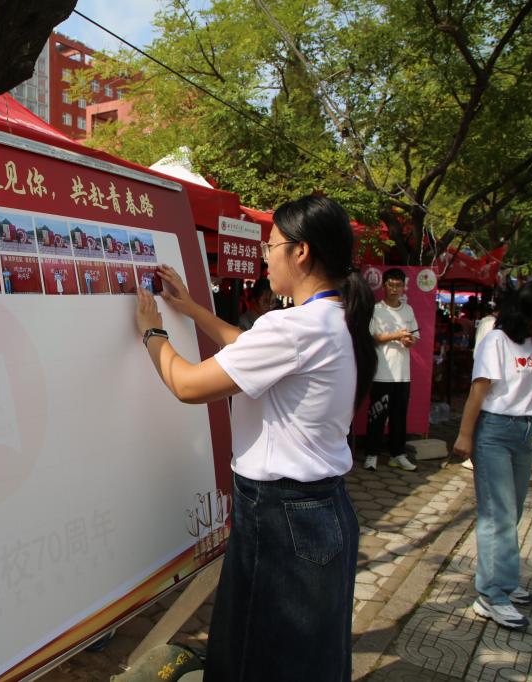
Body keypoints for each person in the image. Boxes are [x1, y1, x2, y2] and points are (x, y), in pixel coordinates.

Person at [135, 195, 376, 682]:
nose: (266, 257)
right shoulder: (334, 319)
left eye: (272, 246)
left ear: (301, 252)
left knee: (257, 657)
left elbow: (187, 385)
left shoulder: (294, 327)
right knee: (309, 656)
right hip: (321, 509)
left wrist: (152, 332)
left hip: (282, 515)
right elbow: (247, 346)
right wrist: (191, 308)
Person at [453, 280, 532, 629]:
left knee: (514, 511)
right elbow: (478, 391)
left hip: (524, 430)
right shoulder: (497, 340)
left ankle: (505, 582)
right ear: (528, 307)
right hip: (493, 430)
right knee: (498, 515)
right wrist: (465, 435)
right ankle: (491, 595)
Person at [363, 268, 419, 472]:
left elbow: (414, 337)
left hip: (402, 375)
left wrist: (408, 340)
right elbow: (372, 337)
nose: (395, 289)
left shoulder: (408, 310)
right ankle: (371, 454)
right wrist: (396, 335)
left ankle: (398, 454)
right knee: (376, 415)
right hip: (382, 373)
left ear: (404, 287)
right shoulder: (376, 309)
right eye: (391, 285)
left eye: (399, 285)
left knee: (399, 417)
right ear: (384, 286)